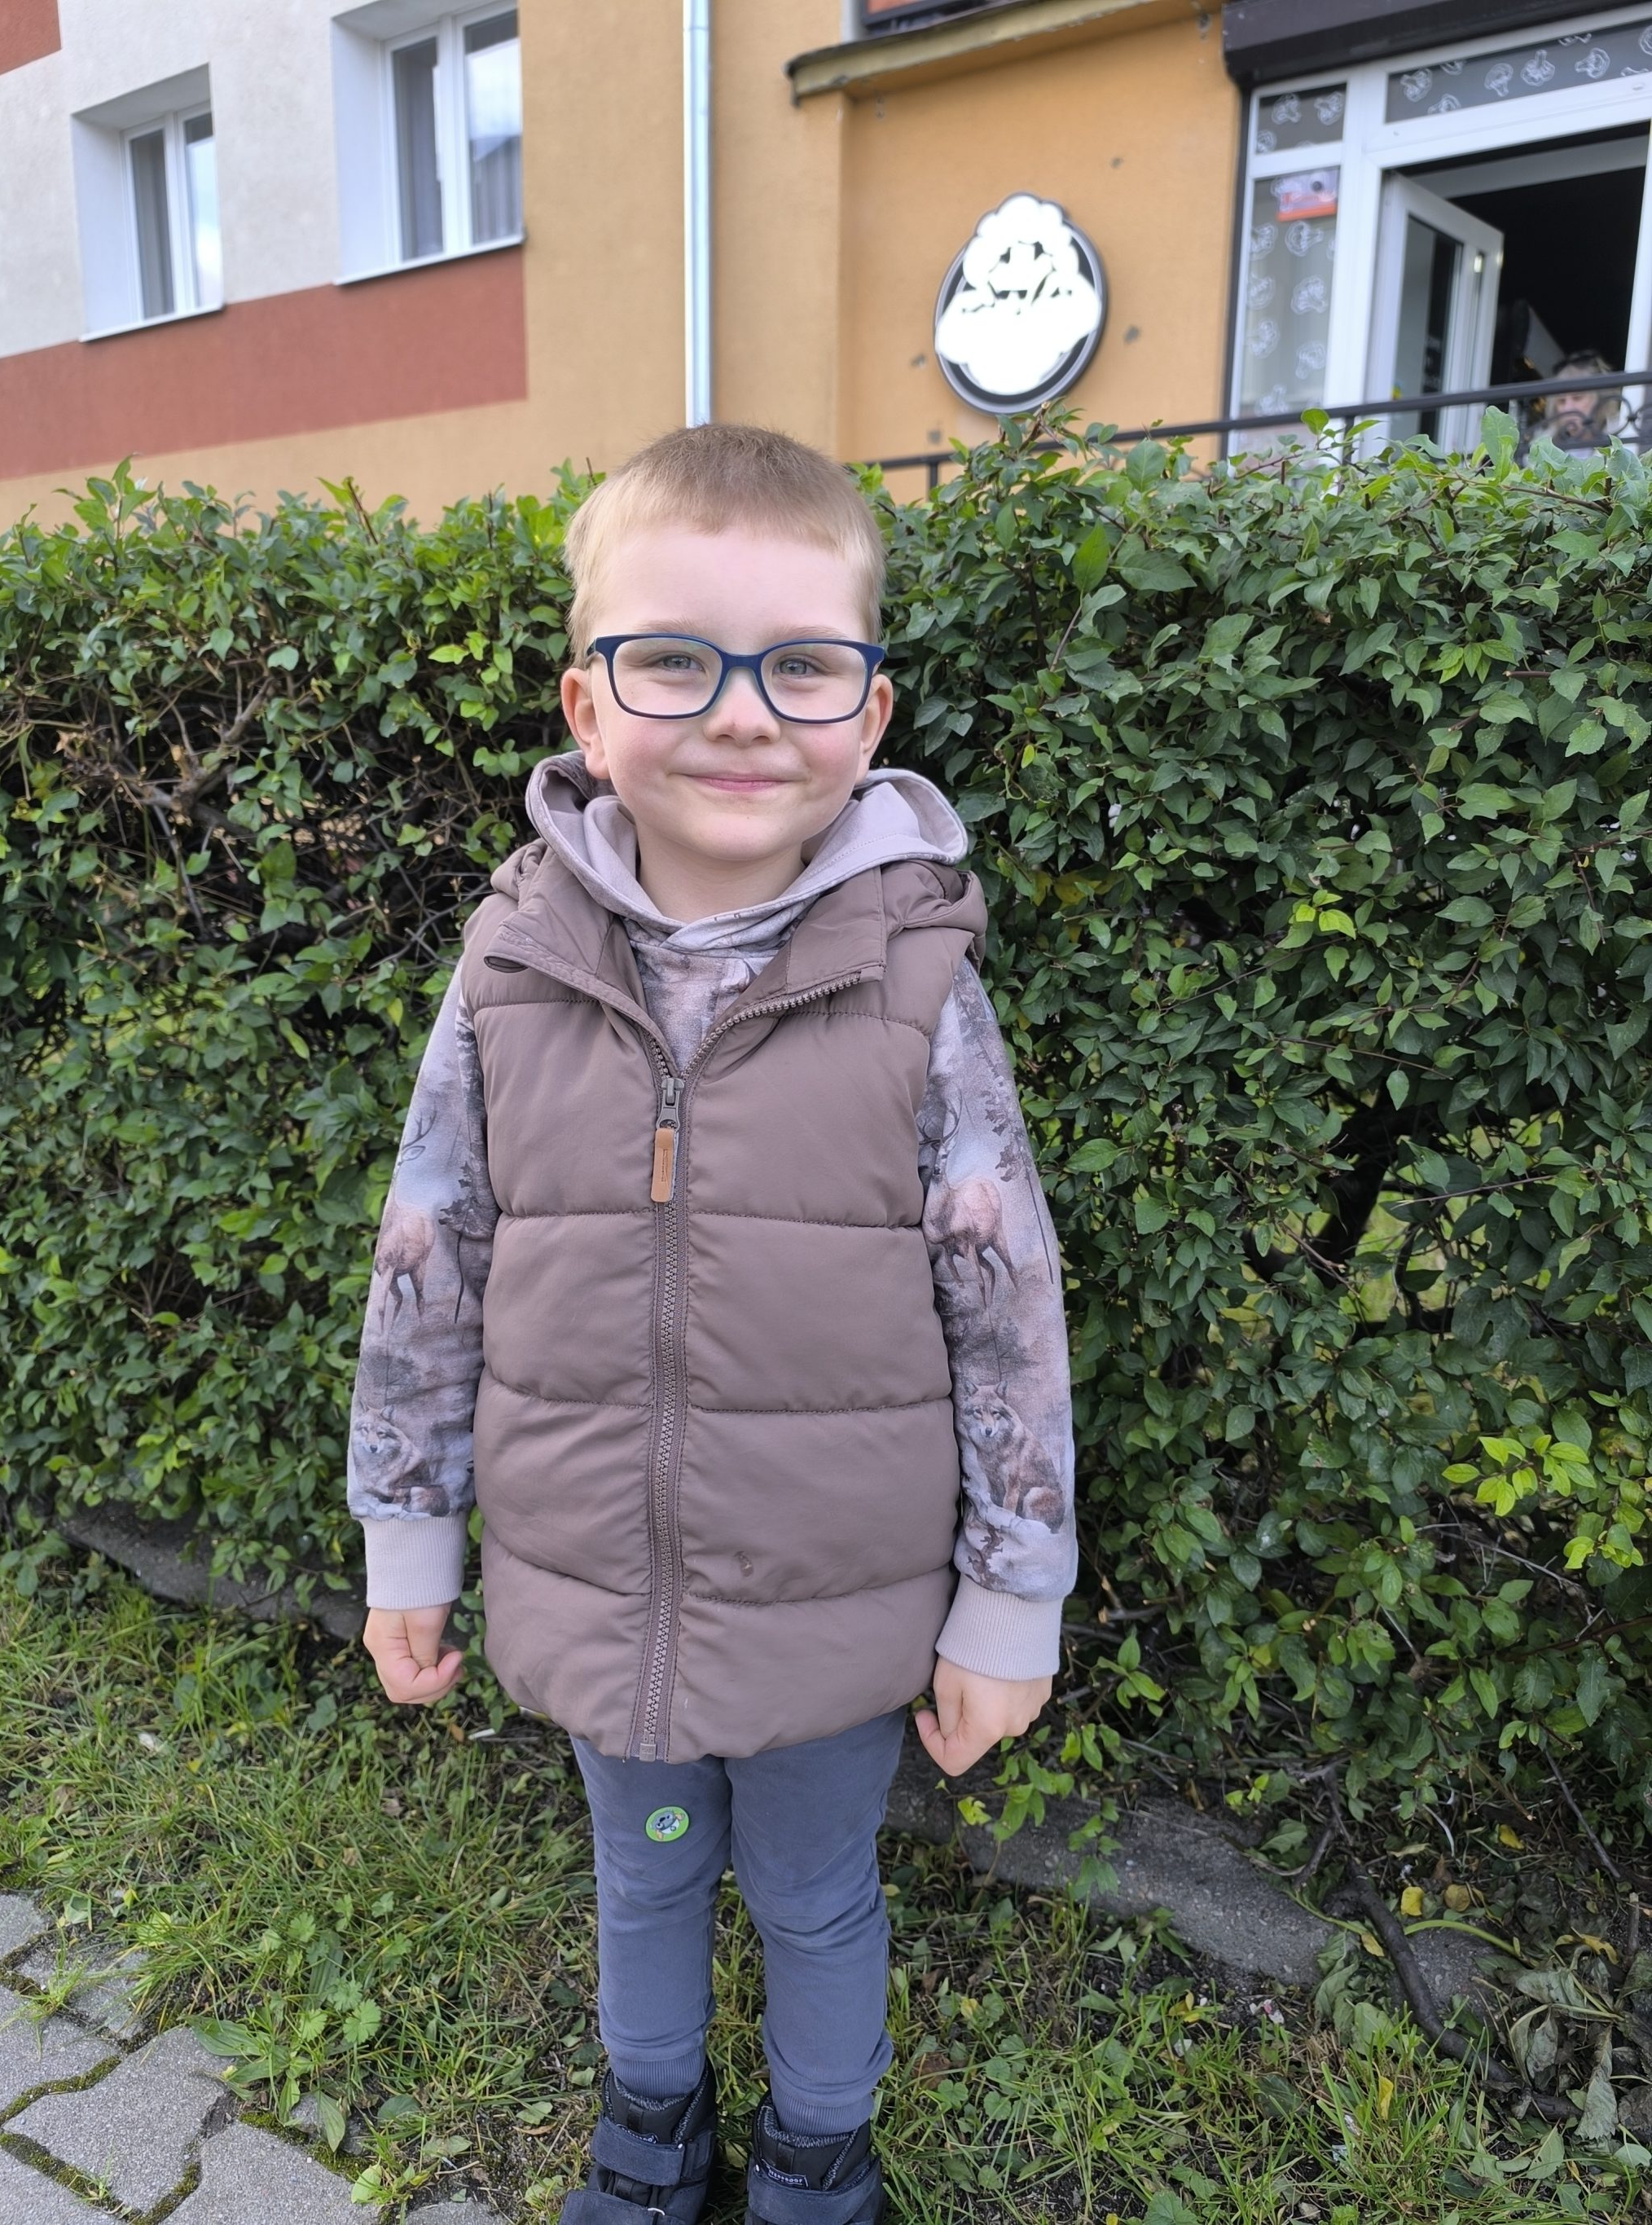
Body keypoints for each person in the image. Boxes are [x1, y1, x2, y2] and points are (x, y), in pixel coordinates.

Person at [347, 422, 1078, 2224]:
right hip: (596, 1574)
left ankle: (820, 2159)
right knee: (647, 1873)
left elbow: (1005, 1299)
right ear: (588, 710)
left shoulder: (914, 973)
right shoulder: (512, 963)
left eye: (801, 665)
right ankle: (650, 2130)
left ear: (869, 713)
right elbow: (430, 1246)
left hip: (834, 1592)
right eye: (675, 658)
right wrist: (407, 1529)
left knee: (817, 1896)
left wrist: (1013, 1597)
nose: (743, 713)